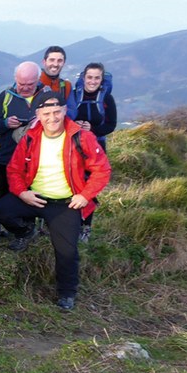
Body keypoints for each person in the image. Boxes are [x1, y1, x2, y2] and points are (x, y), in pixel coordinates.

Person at [0, 89, 111, 311]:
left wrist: (85, 196)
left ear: (65, 110)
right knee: (0, 211)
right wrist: (22, 193)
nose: (52, 118)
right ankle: (26, 232)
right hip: (34, 197)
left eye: (57, 112)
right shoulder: (31, 137)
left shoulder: (80, 137)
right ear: (38, 114)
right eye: (46, 114)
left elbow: (102, 170)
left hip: (66, 203)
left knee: (66, 251)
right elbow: (14, 170)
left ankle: (67, 293)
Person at [0, 61, 41, 244]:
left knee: (27, 196)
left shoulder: (46, 98)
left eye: (29, 84)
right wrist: (5, 123)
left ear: (38, 80)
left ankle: (23, 231)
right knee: (0, 192)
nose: (24, 88)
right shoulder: (6, 96)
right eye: (21, 83)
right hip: (7, 156)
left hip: (35, 160)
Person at [67, 62, 116, 242]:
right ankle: (70, 223)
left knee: (90, 188)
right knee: (73, 184)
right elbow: (65, 118)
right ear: (83, 77)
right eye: (89, 77)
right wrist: (75, 126)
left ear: (102, 80)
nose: (93, 81)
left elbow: (111, 125)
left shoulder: (106, 99)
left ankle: (86, 227)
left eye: (97, 78)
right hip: (74, 147)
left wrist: (92, 129)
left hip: (95, 149)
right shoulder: (73, 95)